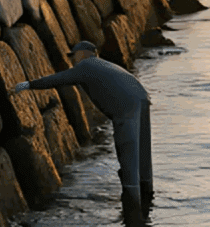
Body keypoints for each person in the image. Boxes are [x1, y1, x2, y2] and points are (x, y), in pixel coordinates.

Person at [14, 41, 152, 224]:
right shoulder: (104, 65)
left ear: (83, 54)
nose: (72, 60)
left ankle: (133, 214)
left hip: (125, 107)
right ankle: (148, 202)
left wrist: (26, 85)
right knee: (143, 158)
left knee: (128, 158)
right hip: (142, 98)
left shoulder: (86, 66)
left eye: (73, 56)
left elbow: (57, 79)